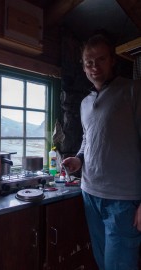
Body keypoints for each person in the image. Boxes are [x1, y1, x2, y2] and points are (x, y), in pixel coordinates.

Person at [62, 34, 141, 270]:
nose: (94, 66)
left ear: (112, 60)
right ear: (83, 66)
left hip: (123, 200)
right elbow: (89, 138)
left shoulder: (133, 91)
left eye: (101, 59)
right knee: (103, 263)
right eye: (89, 62)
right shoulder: (85, 103)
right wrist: (79, 158)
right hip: (90, 193)